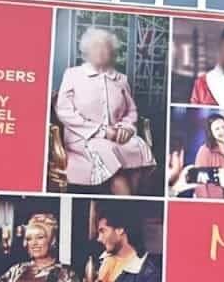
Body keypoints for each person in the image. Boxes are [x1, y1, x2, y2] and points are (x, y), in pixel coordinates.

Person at [55, 27, 155, 194]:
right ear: (86, 51)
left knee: (138, 146)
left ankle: (130, 202)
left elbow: (131, 112)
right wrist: (101, 131)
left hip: (116, 136)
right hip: (84, 138)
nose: (101, 51)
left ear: (113, 52)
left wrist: (126, 128)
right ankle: (129, 207)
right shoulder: (73, 75)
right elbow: (65, 111)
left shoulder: (121, 80)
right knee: (114, 165)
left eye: (106, 47)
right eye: (96, 46)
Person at [0, 214, 79, 282]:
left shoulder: (65, 274)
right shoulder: (18, 270)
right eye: (29, 239)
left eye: (40, 237)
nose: (34, 243)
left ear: (52, 241)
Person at [90, 201, 162, 282]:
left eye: (103, 231)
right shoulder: (97, 263)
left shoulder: (149, 273)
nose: (99, 239)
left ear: (120, 230)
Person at [194, 113, 224, 199]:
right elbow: (199, 182)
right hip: (213, 200)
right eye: (217, 129)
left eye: (223, 127)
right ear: (211, 132)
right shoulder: (205, 150)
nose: (222, 131)